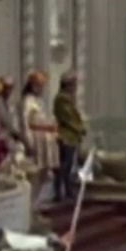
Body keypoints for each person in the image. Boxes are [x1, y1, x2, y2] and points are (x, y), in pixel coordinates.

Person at [20, 71, 60, 208]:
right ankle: (31, 202)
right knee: (37, 171)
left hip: (45, 137)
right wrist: (29, 141)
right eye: (39, 86)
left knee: (45, 171)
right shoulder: (27, 101)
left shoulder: (38, 100)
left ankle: (36, 200)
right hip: (36, 138)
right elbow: (25, 122)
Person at [53, 71, 86, 201]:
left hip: (71, 136)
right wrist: (80, 128)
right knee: (64, 165)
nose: (75, 88)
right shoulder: (62, 99)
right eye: (73, 84)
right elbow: (68, 118)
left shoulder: (67, 98)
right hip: (66, 136)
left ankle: (67, 190)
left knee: (68, 165)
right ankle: (60, 191)